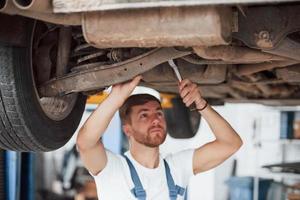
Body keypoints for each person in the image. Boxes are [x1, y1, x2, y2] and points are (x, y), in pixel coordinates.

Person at [76, 76, 243, 200]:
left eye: (159, 113)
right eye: (144, 115)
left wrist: (200, 103)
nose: (155, 119)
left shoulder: (176, 167)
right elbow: (85, 143)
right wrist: (115, 98)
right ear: (128, 130)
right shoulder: (113, 170)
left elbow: (231, 143)